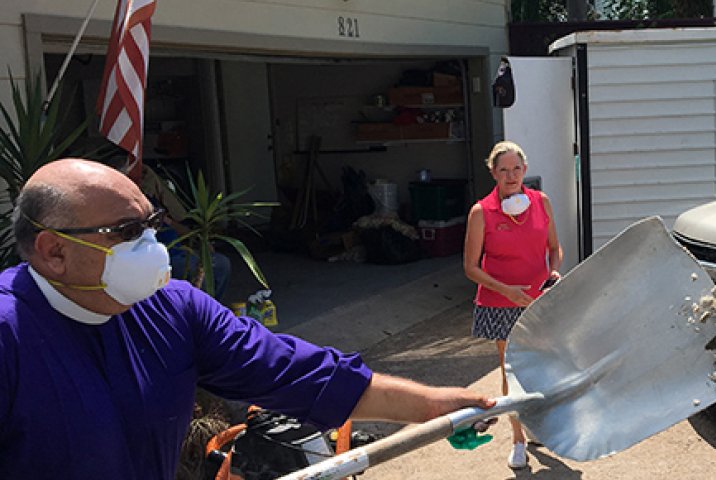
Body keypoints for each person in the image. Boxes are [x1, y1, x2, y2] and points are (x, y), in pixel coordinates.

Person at [0, 158, 494, 478]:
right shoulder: (10, 335)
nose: (152, 245)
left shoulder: (174, 309)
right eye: (127, 231)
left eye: (151, 225)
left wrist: (435, 407)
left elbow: (298, 374)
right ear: (54, 252)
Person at [463, 141, 563, 470]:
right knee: (513, 369)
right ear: (492, 172)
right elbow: (471, 267)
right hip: (500, 302)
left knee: (541, 365)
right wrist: (506, 290)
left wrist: (552, 274)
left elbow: (554, 249)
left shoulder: (540, 202)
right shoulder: (482, 212)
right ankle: (518, 440)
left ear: (525, 170)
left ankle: (533, 424)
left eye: (516, 169)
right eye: (503, 169)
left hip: (539, 299)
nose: (511, 175)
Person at [138, 162, 233, 301]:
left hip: (182, 251)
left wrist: (202, 241)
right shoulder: (136, 208)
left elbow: (181, 225)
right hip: (164, 257)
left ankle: (212, 307)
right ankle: (198, 312)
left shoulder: (157, 202)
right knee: (200, 276)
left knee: (222, 263)